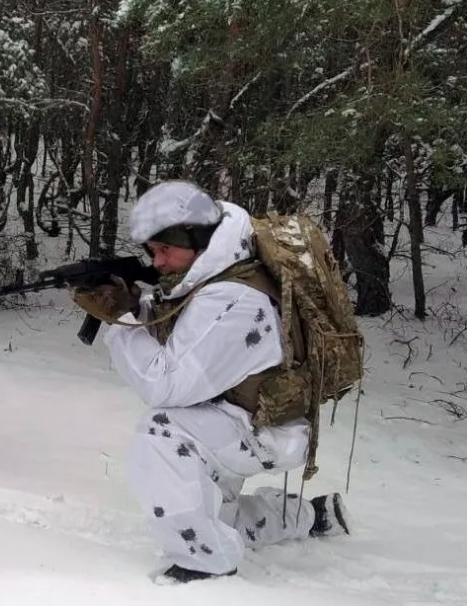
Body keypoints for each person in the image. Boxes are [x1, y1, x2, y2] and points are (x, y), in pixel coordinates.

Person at [73, 180, 350, 585]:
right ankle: (313, 516)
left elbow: (163, 384)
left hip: (259, 426)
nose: (159, 261)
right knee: (214, 513)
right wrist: (138, 304)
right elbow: (186, 326)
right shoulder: (221, 268)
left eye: (166, 249)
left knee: (162, 433)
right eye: (152, 251)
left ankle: (204, 563)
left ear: (198, 239)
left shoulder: (235, 301)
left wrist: (122, 320)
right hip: (238, 411)